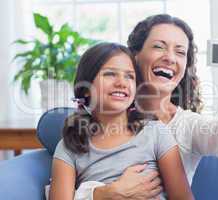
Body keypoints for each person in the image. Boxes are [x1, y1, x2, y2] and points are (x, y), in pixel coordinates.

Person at [78, 14, 218, 199]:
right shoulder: (100, 117)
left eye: (180, 52)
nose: (170, 58)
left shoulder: (187, 127)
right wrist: (104, 194)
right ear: (135, 55)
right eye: (159, 46)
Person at [48, 42, 195, 200]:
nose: (122, 83)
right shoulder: (70, 146)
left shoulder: (156, 133)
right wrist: (105, 194)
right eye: (110, 74)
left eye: (129, 76)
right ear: (86, 88)